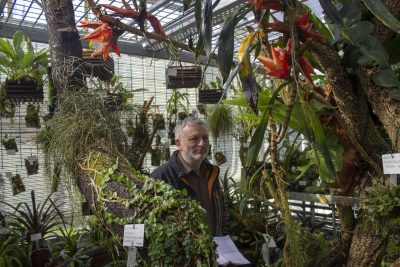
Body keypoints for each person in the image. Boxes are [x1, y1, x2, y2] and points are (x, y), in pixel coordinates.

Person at [150, 117, 228, 236]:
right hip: (183, 253)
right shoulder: (162, 177)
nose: (202, 143)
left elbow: (221, 212)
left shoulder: (211, 172)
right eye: (194, 139)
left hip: (216, 249)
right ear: (178, 143)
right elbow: (153, 225)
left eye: (205, 138)